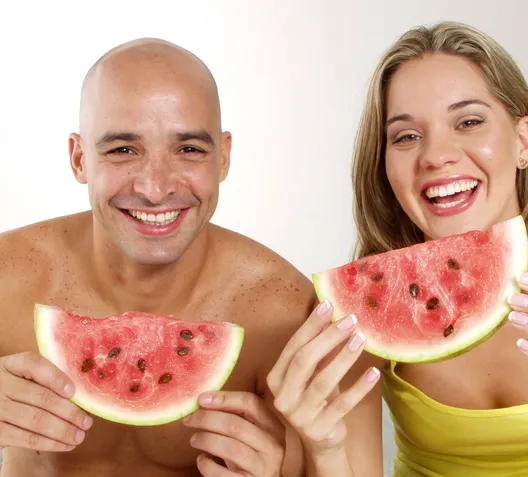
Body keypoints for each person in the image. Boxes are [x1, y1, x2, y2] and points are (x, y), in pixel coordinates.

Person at [0, 38, 383, 476]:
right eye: (123, 149)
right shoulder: (7, 278)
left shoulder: (288, 317)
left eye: (189, 150)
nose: (155, 187)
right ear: (79, 157)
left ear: (224, 157)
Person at [268, 21, 528, 476]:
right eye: (406, 136)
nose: (436, 156)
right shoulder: (360, 311)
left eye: (468, 121)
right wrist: (322, 451)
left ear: (523, 141)